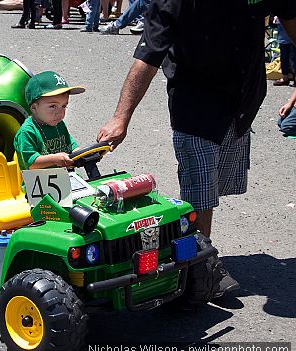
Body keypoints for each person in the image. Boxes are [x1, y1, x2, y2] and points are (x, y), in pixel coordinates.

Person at [97, 0, 296, 298]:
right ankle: (202, 267)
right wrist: (120, 117)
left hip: (242, 96)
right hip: (194, 100)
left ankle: (192, 252)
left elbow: (291, 20)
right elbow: (148, 56)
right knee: (201, 188)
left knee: (217, 184)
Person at [14, 71, 85, 170]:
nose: (60, 112)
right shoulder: (27, 131)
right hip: (38, 183)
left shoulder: (58, 124)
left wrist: (81, 153)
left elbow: (71, 145)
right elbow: (31, 163)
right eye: (53, 106)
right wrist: (54, 159)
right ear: (34, 107)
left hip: (66, 178)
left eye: (64, 106)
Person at [273, 17, 296, 85]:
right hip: (282, 29)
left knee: (294, 57)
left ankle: (293, 77)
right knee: (284, 56)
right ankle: (285, 76)